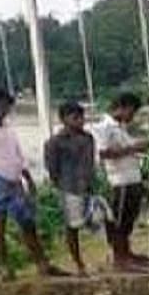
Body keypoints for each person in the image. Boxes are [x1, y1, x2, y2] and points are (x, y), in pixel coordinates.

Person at [0, 88, 63, 281]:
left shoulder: (8, 129)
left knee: (28, 223)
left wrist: (28, 178)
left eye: (7, 106)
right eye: (1, 105)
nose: (5, 110)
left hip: (14, 180)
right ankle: (3, 267)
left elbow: (18, 155)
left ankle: (42, 263)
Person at [44, 100, 107, 276]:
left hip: (89, 186)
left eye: (82, 117)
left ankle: (108, 256)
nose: (80, 121)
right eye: (75, 118)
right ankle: (79, 264)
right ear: (64, 119)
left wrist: (92, 181)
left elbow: (91, 163)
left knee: (101, 219)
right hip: (69, 187)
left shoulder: (88, 138)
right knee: (72, 228)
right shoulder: (55, 143)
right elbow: (52, 169)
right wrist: (62, 186)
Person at [93, 92, 149, 273]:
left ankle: (127, 253)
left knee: (128, 219)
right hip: (120, 181)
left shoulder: (120, 127)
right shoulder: (104, 127)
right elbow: (103, 152)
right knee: (118, 221)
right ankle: (120, 259)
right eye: (132, 112)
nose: (132, 117)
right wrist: (133, 147)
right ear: (122, 107)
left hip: (132, 177)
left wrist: (138, 145)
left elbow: (124, 147)